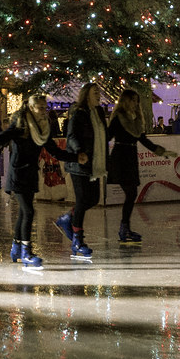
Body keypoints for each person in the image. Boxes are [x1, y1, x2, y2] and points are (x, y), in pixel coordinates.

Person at [0, 95, 84, 269]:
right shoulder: (21, 126)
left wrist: (75, 157)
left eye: (45, 107)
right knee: (28, 211)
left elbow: (54, 151)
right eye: (40, 108)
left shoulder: (43, 129)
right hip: (18, 174)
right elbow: (0, 138)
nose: (44, 111)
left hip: (31, 174)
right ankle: (26, 252)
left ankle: (16, 247)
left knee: (24, 212)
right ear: (30, 108)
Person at [106, 89, 175, 242]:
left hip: (131, 157)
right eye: (132, 100)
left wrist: (160, 150)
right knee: (130, 193)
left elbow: (143, 140)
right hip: (120, 157)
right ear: (125, 101)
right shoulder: (119, 118)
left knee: (132, 194)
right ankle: (124, 228)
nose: (135, 103)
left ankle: (125, 228)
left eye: (136, 100)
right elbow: (107, 136)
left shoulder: (136, 120)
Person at [54, 83, 107, 259]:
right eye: (95, 92)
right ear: (86, 95)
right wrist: (79, 152)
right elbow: (72, 136)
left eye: (99, 92)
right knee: (83, 200)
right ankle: (78, 241)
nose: (98, 95)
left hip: (94, 163)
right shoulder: (78, 113)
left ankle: (66, 219)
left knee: (93, 199)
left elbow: (104, 135)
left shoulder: (98, 113)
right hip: (79, 163)